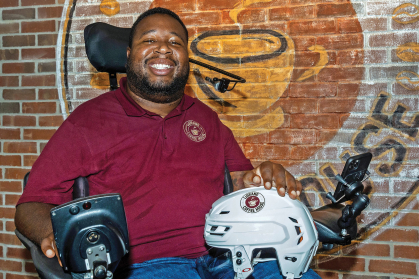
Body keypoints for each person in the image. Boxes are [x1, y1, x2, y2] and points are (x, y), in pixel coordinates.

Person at [15, 7, 320, 279]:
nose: (163, 48)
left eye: (175, 42)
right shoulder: (88, 122)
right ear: (127, 55)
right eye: (149, 40)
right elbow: (31, 205)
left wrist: (261, 176)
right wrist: (50, 233)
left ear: (185, 58)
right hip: (145, 266)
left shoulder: (207, 119)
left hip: (230, 255)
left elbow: (240, 181)